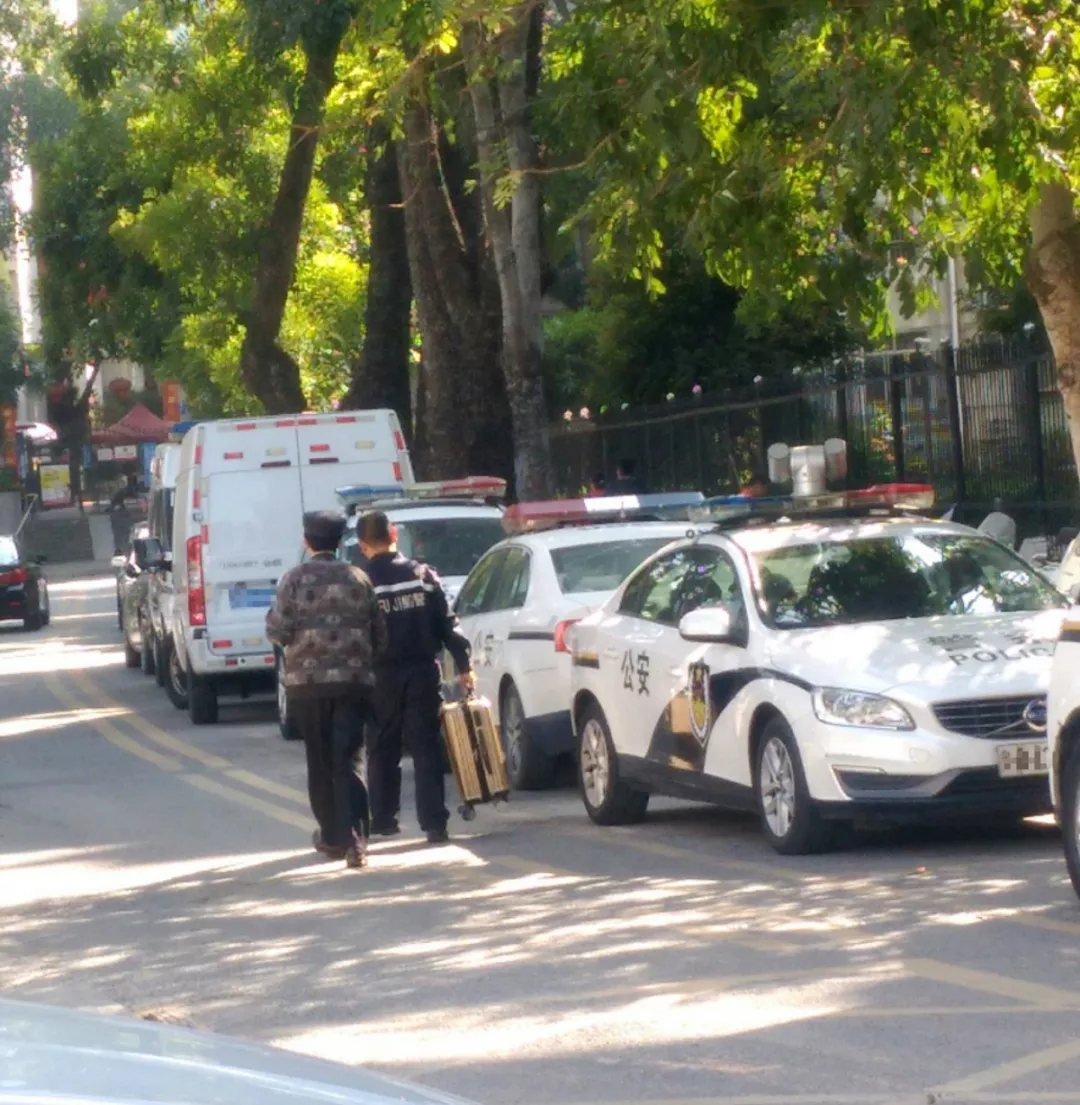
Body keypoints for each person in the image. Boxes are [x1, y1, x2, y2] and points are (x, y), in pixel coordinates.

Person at [266, 510, 386, 870]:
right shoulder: (359, 578)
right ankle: (356, 840)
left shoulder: (294, 579)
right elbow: (380, 635)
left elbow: (277, 630)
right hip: (352, 684)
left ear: (308, 541)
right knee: (349, 759)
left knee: (319, 760)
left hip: (307, 688)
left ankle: (333, 836)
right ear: (340, 541)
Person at [357, 508, 475, 843]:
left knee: (381, 747)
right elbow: (448, 624)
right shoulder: (422, 575)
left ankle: (383, 818)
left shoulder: (361, 582)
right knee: (426, 748)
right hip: (422, 671)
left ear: (363, 545)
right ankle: (435, 823)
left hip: (379, 676)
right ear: (394, 535)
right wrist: (464, 666)